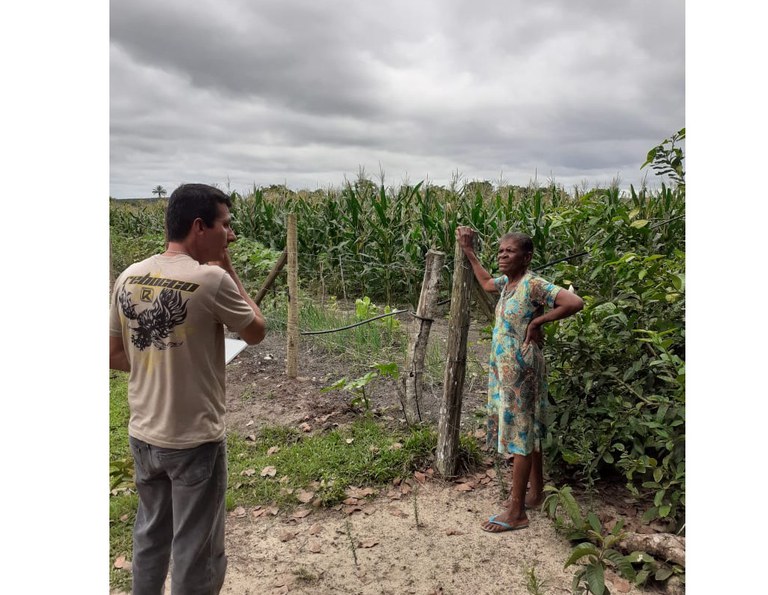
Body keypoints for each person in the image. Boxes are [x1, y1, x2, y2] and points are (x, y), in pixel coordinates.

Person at [109, 183, 266, 593]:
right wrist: (228, 267)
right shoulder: (211, 279)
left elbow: (113, 354)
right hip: (194, 440)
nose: (230, 235)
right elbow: (255, 331)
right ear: (200, 226)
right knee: (197, 550)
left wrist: (159, 360)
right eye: (225, 225)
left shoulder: (128, 277)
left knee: (150, 537)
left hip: (144, 435)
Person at [455, 226, 583, 533]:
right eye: (500, 251)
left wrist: (538, 321)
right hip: (507, 367)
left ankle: (516, 512)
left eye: (509, 251)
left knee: (521, 432)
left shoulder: (533, 284)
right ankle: (535, 493)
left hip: (522, 367)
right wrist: (468, 250)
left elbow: (574, 303)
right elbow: (485, 282)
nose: (502, 255)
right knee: (528, 429)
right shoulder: (507, 283)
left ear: (526, 257)